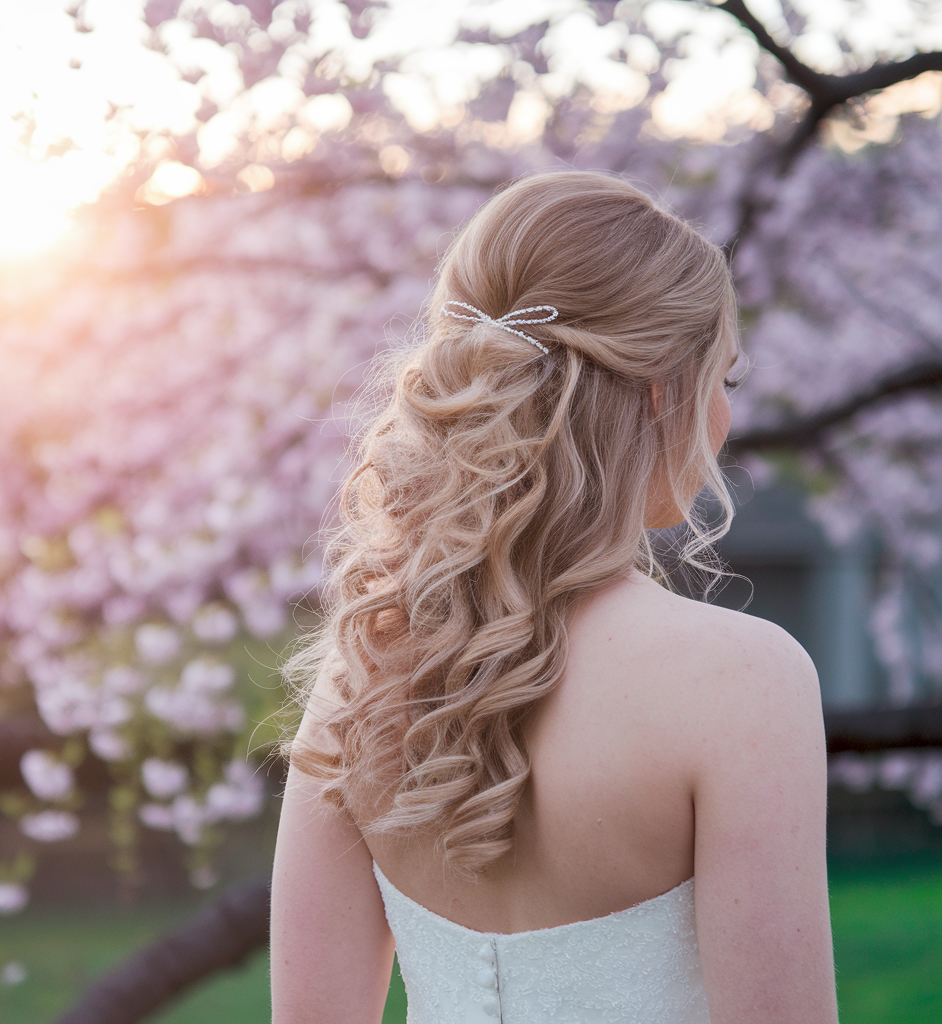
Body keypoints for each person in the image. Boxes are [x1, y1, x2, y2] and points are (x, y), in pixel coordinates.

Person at [270, 171, 837, 1024]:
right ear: (662, 393)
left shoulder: (364, 670)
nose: (725, 414)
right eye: (725, 378)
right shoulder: (744, 681)